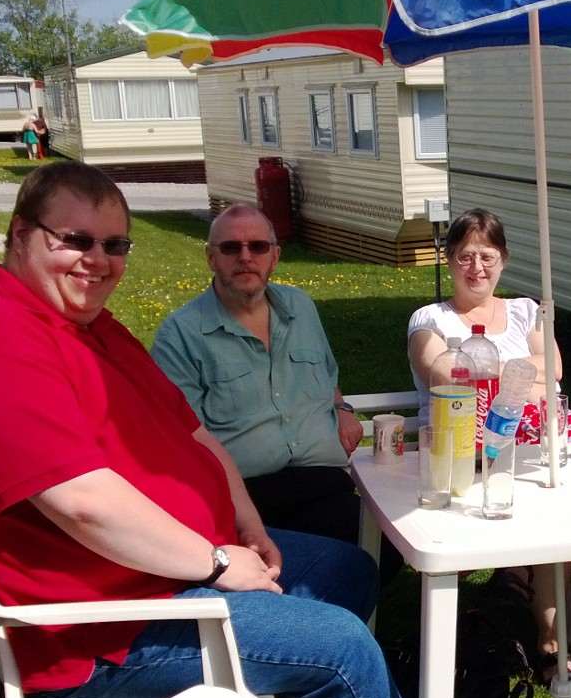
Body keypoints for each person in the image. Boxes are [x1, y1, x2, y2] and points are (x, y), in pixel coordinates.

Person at [0, 162, 416, 698]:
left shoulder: (89, 326)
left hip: (157, 573)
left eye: (115, 245)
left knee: (348, 568)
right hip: (99, 630)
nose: (98, 261)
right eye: (75, 240)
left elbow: (194, 435)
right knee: (342, 646)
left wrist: (248, 526)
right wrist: (218, 564)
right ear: (19, 233)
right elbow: (84, 503)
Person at [152, 203, 401, 583]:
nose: (245, 257)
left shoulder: (300, 308)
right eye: (231, 248)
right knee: (341, 564)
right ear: (211, 258)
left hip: (324, 480)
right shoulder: (182, 334)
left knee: (387, 550)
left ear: (275, 256)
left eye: (258, 246)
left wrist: (342, 408)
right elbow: (181, 439)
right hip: (247, 496)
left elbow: (326, 372)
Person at [406, 208, 571, 683]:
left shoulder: (526, 311)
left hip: (531, 456)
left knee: (555, 522)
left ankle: (551, 642)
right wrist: (520, 375)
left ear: (503, 259)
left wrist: (488, 369)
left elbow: (553, 369)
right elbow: (441, 373)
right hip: (459, 456)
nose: (477, 268)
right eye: (465, 256)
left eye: (487, 256)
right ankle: (482, 612)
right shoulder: (430, 318)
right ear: (449, 260)